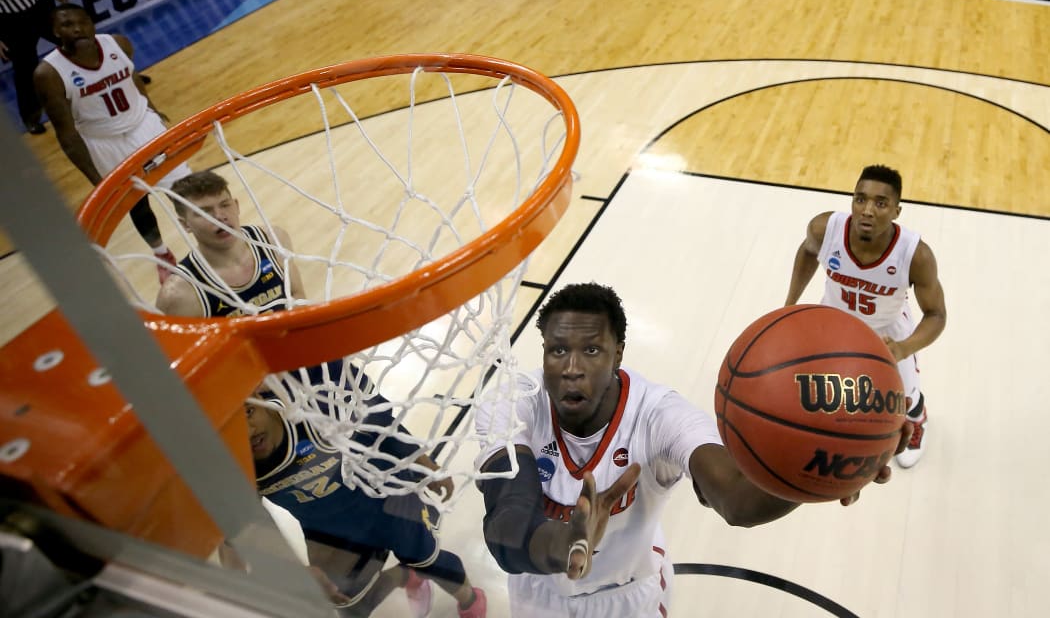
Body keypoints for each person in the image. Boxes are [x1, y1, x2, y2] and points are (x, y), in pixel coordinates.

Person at [474, 282, 911, 617]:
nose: (571, 368)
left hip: (629, 599)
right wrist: (566, 543)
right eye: (557, 350)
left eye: (591, 350)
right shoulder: (512, 404)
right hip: (540, 593)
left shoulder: (659, 414)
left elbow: (736, 500)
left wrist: (823, 463)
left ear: (618, 354)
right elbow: (507, 526)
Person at [237, 362, 488, 617]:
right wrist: (291, 567)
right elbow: (245, 523)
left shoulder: (314, 406)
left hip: (387, 500)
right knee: (344, 601)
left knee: (427, 561)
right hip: (328, 531)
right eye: (234, 426)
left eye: (248, 413)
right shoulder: (232, 463)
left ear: (259, 395)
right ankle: (402, 576)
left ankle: (470, 599)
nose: (247, 432)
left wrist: (423, 461)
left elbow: (382, 425)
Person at [784, 164, 946, 468]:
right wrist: (789, 305)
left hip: (887, 331)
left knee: (905, 394)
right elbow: (808, 251)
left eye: (880, 203)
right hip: (833, 321)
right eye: (860, 199)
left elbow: (937, 315)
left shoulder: (916, 255)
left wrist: (903, 348)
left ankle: (918, 420)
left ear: (897, 210)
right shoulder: (824, 228)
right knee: (820, 382)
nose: (867, 210)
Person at [33, 3, 187, 282]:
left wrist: (151, 108)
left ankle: (204, 238)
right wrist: (95, 178)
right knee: (137, 205)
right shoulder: (49, 74)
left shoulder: (118, 43)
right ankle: (162, 254)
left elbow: (132, 77)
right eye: (67, 25)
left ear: (93, 23)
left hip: (144, 126)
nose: (77, 29)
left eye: (82, 22)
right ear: (55, 31)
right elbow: (66, 134)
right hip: (104, 142)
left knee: (185, 189)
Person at [156, 170, 305, 317]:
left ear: (237, 206)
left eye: (225, 205)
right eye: (204, 212)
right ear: (185, 225)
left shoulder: (273, 240)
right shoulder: (178, 294)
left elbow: (297, 293)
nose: (219, 216)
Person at [0, 0, 64, 134]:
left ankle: (120, 75)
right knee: (25, 72)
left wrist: (63, 1)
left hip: (39, 9)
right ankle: (31, 118)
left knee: (74, 42)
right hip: (11, 22)